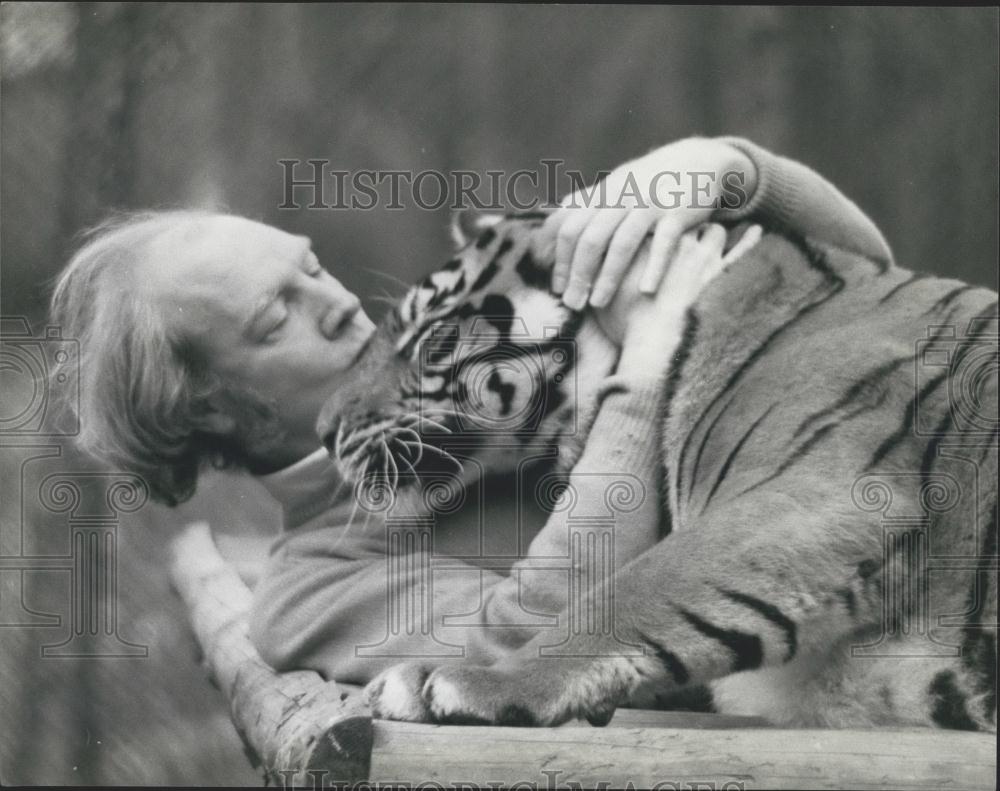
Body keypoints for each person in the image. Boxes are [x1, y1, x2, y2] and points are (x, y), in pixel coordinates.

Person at [50, 137, 892, 683]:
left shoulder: (473, 333)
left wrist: (727, 169)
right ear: (223, 414)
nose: (339, 301)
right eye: (279, 315)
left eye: (308, 267)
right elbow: (536, 647)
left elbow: (862, 294)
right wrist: (643, 380)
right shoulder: (309, 592)